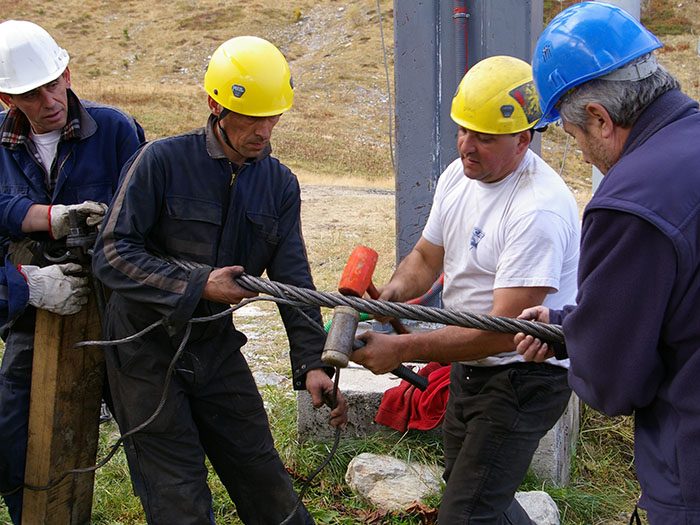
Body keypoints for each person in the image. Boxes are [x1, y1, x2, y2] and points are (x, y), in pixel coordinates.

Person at [91, 35, 348, 525]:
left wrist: (314, 364)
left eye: (274, 117)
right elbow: (111, 253)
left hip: (214, 347)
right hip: (143, 354)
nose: (264, 131)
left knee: (267, 483)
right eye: (252, 117)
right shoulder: (161, 162)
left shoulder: (278, 183)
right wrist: (198, 285)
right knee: (178, 498)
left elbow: (292, 278)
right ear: (215, 104)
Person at [351, 55, 580, 524]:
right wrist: (391, 293)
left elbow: (503, 332)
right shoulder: (461, 175)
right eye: (463, 130)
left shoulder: (537, 210)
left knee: (466, 513)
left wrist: (403, 348)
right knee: (472, 490)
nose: (466, 147)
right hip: (471, 368)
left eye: (483, 137)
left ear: (523, 138)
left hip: (523, 376)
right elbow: (426, 257)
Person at [513, 2, 700, 523]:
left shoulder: (631, 201)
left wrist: (589, 342)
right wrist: (572, 324)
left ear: (598, 117)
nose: (585, 155)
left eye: (574, 138)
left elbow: (615, 384)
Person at [0, 20, 144, 524]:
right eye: (31, 94)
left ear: (67, 70)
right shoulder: (1, 148)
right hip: (33, 300)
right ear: (5, 97)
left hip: (117, 305)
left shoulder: (117, 131)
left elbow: (145, 218)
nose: (50, 100)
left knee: (148, 424)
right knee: (11, 428)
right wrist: (48, 225)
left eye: (54, 82)